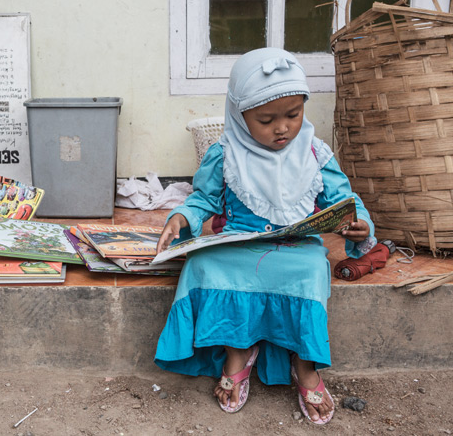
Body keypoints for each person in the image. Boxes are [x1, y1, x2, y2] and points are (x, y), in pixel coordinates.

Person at [154, 48, 375, 425]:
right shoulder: (224, 153)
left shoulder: (315, 154)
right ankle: (237, 351)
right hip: (238, 245)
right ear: (239, 116)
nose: (282, 128)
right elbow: (204, 199)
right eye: (266, 119)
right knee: (203, 264)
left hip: (295, 250)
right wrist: (180, 218)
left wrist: (359, 225)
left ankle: (305, 366)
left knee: (310, 271)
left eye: (293, 114)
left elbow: (343, 200)